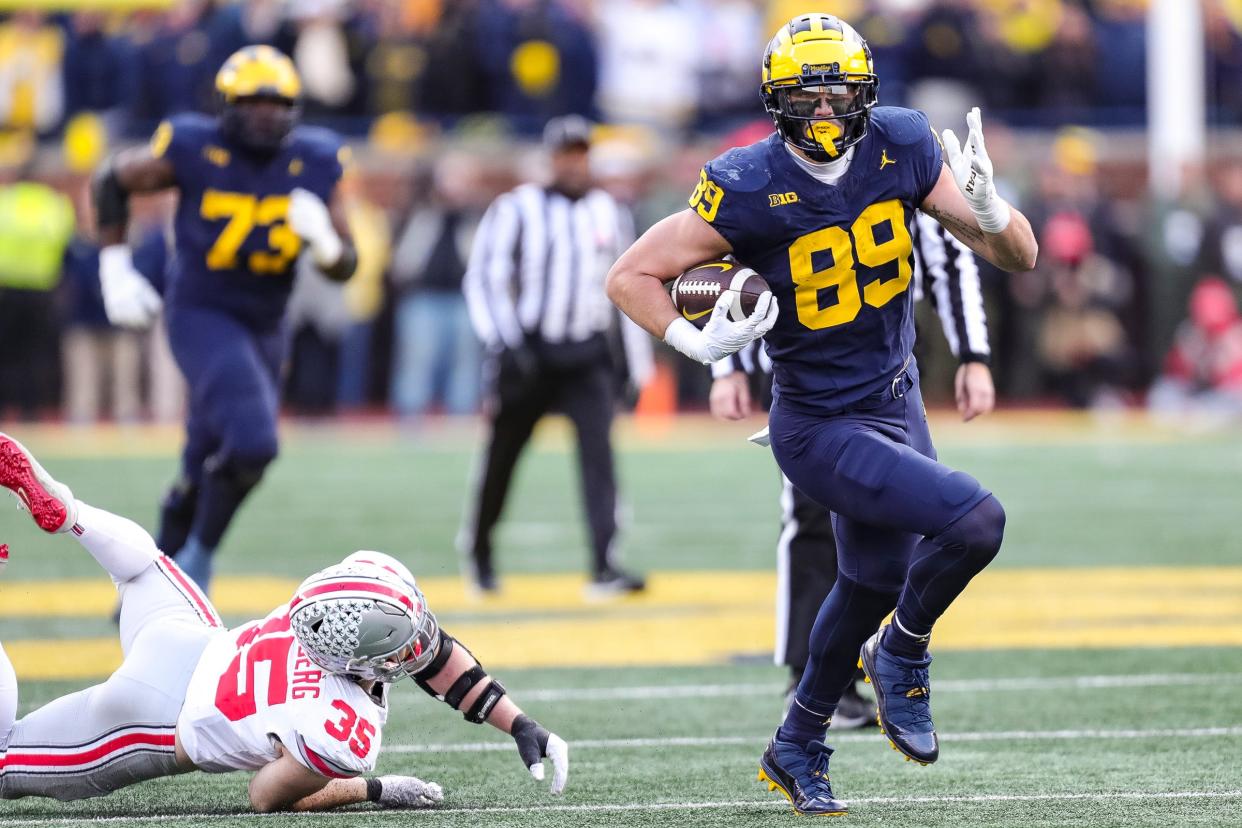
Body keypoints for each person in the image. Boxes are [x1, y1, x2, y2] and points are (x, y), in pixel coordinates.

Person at [606, 14, 1037, 816]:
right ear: (778, 103)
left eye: (841, 90)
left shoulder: (904, 144)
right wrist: (694, 345)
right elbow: (630, 274)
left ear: (866, 92)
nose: (829, 109)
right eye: (809, 95)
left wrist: (993, 212)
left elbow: (1022, 257)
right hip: (819, 423)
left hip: (896, 394)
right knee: (976, 521)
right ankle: (901, 655)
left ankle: (797, 743)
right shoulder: (742, 182)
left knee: (871, 577)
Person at [0, 432, 568, 810]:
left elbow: (435, 654)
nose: (417, 648)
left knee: (143, 567)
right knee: (5, 764)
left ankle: (71, 514)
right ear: (355, 659)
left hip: (189, 639)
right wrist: (369, 788)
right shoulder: (342, 728)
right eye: (396, 647)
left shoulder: (332, 604)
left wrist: (517, 722)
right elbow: (267, 797)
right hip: (152, 721)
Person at [710, 211, 995, 729]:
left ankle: (873, 661)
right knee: (812, 517)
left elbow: (950, 259)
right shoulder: (774, 182)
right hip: (812, 388)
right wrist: (728, 364)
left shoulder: (900, 160)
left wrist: (973, 355)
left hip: (889, 376)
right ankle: (814, 684)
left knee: (905, 525)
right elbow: (734, 275)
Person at [91, 45, 358, 594]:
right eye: (252, 101)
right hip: (203, 311)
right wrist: (114, 270)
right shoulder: (193, 145)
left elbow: (346, 267)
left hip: (267, 322)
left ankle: (151, 584)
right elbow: (109, 180)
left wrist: (328, 245)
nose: (266, 113)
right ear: (226, 104)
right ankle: (198, 560)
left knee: (202, 459)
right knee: (255, 441)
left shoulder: (317, 158)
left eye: (278, 102)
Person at [459, 115, 654, 597]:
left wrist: (635, 361)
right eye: (566, 153)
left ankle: (604, 564)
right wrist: (505, 341)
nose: (574, 162)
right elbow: (484, 278)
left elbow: (627, 284)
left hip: (586, 353)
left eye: (581, 153)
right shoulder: (516, 208)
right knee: (502, 455)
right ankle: (480, 552)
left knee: (599, 459)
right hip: (530, 350)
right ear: (550, 158)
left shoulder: (609, 210)